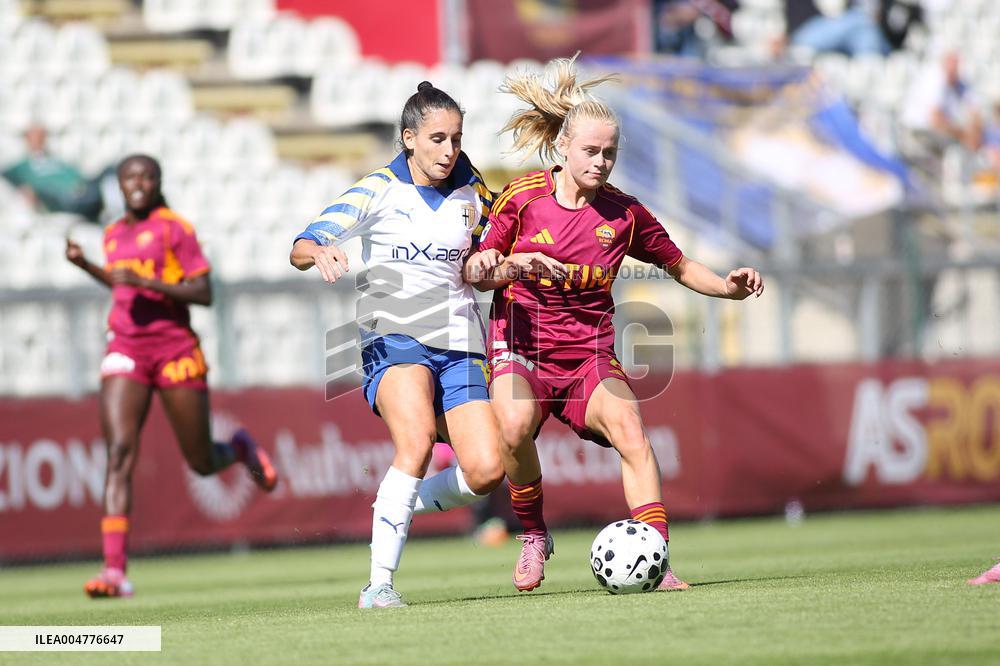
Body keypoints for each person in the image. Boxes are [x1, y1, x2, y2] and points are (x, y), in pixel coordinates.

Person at [465, 56, 764, 593]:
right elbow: (479, 268)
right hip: (521, 349)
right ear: (563, 146)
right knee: (511, 428)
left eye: (610, 153)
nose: (602, 162)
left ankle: (656, 556)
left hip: (588, 358)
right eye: (591, 151)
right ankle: (534, 535)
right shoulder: (522, 199)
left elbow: (679, 265)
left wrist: (727, 286)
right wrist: (497, 265)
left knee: (632, 433)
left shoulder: (625, 214)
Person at [290, 82, 506, 609]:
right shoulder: (377, 189)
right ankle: (378, 584)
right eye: (436, 138)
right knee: (416, 443)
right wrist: (317, 253)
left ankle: (398, 502)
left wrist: (490, 267)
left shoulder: (472, 191)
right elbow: (301, 244)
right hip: (394, 333)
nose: (448, 150)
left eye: (456, 138)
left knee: (486, 471)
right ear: (409, 138)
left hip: (460, 340)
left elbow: (494, 250)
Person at [65, 154, 278, 599]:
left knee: (200, 462)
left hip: (175, 349)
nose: (137, 183)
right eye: (129, 177)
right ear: (119, 186)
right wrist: (87, 266)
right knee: (119, 452)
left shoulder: (174, 228)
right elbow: (123, 286)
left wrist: (147, 284)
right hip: (126, 347)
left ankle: (238, 447)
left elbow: (203, 292)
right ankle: (114, 572)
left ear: (158, 182)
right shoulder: (112, 233)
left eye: (145, 176)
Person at [4, 124, 103, 221]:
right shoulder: (22, 165)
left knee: (107, 174)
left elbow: (78, 178)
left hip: (77, 193)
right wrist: (26, 190)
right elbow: (8, 179)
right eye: (34, 137)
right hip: (55, 198)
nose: (38, 140)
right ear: (27, 139)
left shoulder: (57, 161)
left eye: (41, 136)